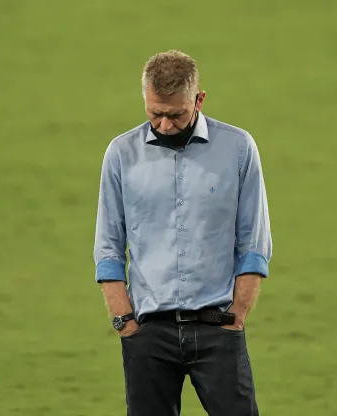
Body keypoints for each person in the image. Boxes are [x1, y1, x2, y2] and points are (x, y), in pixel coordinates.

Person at [93, 49, 272, 416]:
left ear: (199, 99)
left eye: (175, 115)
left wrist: (237, 314)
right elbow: (108, 247)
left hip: (217, 328)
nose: (164, 125)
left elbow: (254, 241)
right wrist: (124, 322)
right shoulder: (120, 154)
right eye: (154, 113)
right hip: (148, 333)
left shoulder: (238, 149)